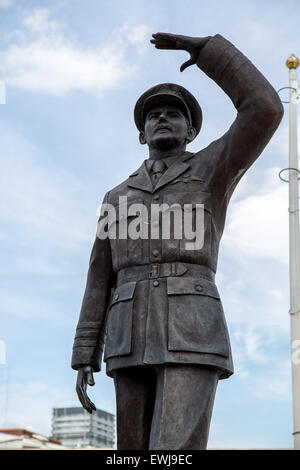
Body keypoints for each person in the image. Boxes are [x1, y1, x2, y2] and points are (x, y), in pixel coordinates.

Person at [71, 33, 283, 449]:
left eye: (173, 113)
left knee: (175, 450)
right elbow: (99, 277)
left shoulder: (211, 169)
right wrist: (84, 352)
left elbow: (264, 108)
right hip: (126, 333)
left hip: (192, 329)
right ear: (141, 134)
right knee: (130, 453)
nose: (162, 118)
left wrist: (210, 54)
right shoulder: (116, 196)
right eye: (153, 116)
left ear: (192, 130)